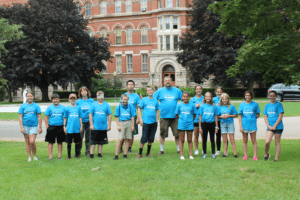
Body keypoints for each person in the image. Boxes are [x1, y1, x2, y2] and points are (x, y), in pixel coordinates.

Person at [153, 76, 183, 154]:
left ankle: (178, 149)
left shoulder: (177, 91)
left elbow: (184, 100)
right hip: (164, 116)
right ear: (163, 82)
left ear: (172, 81)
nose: (167, 82)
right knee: (162, 134)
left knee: (177, 134)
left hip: (175, 117)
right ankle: (161, 150)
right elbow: (152, 100)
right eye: (165, 80)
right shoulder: (160, 91)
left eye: (169, 80)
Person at [18, 91, 42, 162]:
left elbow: (39, 117)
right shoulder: (23, 106)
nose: (29, 97)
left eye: (31, 96)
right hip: (25, 126)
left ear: (33, 97)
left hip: (34, 126)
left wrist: (40, 127)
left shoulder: (36, 106)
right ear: (26, 97)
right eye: (28, 96)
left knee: (32, 141)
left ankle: (34, 155)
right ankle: (29, 157)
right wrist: (21, 127)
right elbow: (20, 117)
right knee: (27, 141)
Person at [136, 86, 160, 159]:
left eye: (151, 90)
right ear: (146, 92)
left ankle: (148, 152)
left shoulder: (156, 101)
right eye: (148, 90)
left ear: (153, 91)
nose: (150, 91)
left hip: (153, 122)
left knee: (151, 138)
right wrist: (140, 119)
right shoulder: (144, 100)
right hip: (146, 122)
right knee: (144, 137)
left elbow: (157, 110)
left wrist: (157, 119)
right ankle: (140, 153)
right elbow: (139, 109)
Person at [89, 91, 112, 158]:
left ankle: (99, 153)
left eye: (101, 95)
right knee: (93, 141)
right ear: (96, 96)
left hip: (103, 127)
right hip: (95, 127)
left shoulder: (106, 104)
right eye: (99, 95)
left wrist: (109, 125)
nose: (100, 97)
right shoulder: (93, 104)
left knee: (101, 141)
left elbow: (109, 115)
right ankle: (91, 154)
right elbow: (90, 114)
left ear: (103, 96)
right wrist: (91, 124)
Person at [238, 90, 260, 161]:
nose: (248, 97)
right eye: (246, 95)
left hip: (252, 125)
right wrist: (240, 126)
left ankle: (255, 156)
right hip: (244, 125)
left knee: (254, 140)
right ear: (244, 96)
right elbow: (240, 116)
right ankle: (245, 155)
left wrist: (252, 118)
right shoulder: (242, 105)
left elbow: (258, 114)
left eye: (249, 95)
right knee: (245, 140)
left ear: (251, 96)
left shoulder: (255, 104)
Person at [119, 80, 140, 154]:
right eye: (129, 84)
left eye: (132, 84)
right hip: (124, 117)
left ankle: (129, 148)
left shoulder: (136, 96)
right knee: (123, 134)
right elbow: (120, 107)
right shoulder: (123, 95)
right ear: (127, 86)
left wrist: (138, 118)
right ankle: (121, 147)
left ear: (134, 86)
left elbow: (138, 108)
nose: (130, 86)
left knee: (131, 134)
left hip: (133, 117)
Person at [263, 90, 284, 161]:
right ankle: (266, 154)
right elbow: (265, 116)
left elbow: (280, 116)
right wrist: (268, 125)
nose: (272, 97)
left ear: (276, 96)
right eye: (270, 96)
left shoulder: (279, 105)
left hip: (278, 126)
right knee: (267, 142)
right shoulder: (267, 106)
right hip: (270, 126)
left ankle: (276, 158)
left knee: (277, 142)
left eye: (273, 96)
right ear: (268, 96)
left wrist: (275, 125)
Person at [216, 93, 238, 158]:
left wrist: (229, 116)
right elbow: (217, 116)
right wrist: (222, 117)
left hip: (230, 123)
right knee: (224, 139)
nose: (225, 100)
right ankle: (224, 153)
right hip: (222, 124)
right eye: (223, 99)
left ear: (228, 99)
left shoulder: (231, 106)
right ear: (221, 100)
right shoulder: (219, 107)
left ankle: (235, 153)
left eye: (226, 99)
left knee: (232, 139)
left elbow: (236, 115)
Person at [175, 91, 196, 160]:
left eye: (187, 96)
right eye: (184, 96)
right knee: (182, 140)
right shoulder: (179, 105)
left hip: (190, 124)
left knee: (189, 140)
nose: (185, 98)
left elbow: (194, 114)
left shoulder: (192, 105)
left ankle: (191, 155)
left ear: (189, 97)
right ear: (182, 97)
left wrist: (190, 120)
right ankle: (182, 155)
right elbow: (176, 114)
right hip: (181, 124)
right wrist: (181, 120)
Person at [114, 94, 135, 160]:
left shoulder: (130, 107)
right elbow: (116, 117)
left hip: (129, 122)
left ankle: (125, 154)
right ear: (121, 99)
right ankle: (116, 155)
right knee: (120, 139)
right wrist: (118, 125)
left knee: (127, 139)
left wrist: (132, 125)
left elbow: (132, 117)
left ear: (128, 100)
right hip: (122, 123)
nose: (125, 101)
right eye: (124, 99)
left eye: (126, 99)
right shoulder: (119, 107)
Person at [44, 93, 65, 160]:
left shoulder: (63, 107)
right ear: (52, 100)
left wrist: (64, 126)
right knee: (50, 142)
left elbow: (65, 117)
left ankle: (59, 156)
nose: (55, 100)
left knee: (60, 142)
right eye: (54, 99)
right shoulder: (49, 107)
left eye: (56, 99)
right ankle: (50, 156)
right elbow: (46, 117)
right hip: (52, 126)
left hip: (60, 126)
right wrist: (47, 126)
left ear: (59, 99)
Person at [199, 92, 218, 159]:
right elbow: (200, 117)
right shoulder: (202, 106)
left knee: (212, 139)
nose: (208, 98)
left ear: (211, 98)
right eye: (206, 97)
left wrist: (216, 126)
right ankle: (204, 153)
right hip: (204, 124)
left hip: (212, 124)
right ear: (204, 98)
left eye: (209, 97)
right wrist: (200, 127)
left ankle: (213, 153)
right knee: (204, 139)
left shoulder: (214, 106)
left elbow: (216, 117)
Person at [76, 86, 94, 156]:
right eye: (82, 91)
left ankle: (87, 151)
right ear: (80, 93)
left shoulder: (91, 101)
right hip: (81, 122)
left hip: (89, 122)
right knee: (80, 137)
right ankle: (78, 152)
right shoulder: (78, 102)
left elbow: (93, 111)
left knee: (88, 138)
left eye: (85, 91)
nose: (83, 92)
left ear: (87, 92)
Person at [64, 93, 83, 160]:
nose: (72, 100)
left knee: (77, 142)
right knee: (69, 142)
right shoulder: (67, 108)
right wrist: (64, 126)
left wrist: (81, 126)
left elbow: (80, 117)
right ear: (69, 99)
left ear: (76, 99)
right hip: (69, 128)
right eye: (71, 98)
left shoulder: (78, 108)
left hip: (77, 127)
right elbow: (65, 118)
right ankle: (68, 155)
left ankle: (76, 154)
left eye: (74, 98)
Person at [190, 85, 204, 155]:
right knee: (196, 135)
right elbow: (190, 108)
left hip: (203, 120)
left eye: (200, 89)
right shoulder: (192, 99)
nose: (198, 90)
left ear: (202, 90)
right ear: (195, 90)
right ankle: (196, 149)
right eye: (197, 89)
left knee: (203, 135)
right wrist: (195, 106)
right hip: (195, 119)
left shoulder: (204, 98)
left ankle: (203, 149)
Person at [213, 86, 224, 155]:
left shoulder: (225, 98)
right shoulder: (213, 99)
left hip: (224, 120)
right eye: (217, 92)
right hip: (216, 120)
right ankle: (218, 150)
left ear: (222, 92)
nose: (219, 93)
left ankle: (225, 150)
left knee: (225, 135)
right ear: (215, 92)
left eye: (220, 92)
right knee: (218, 135)